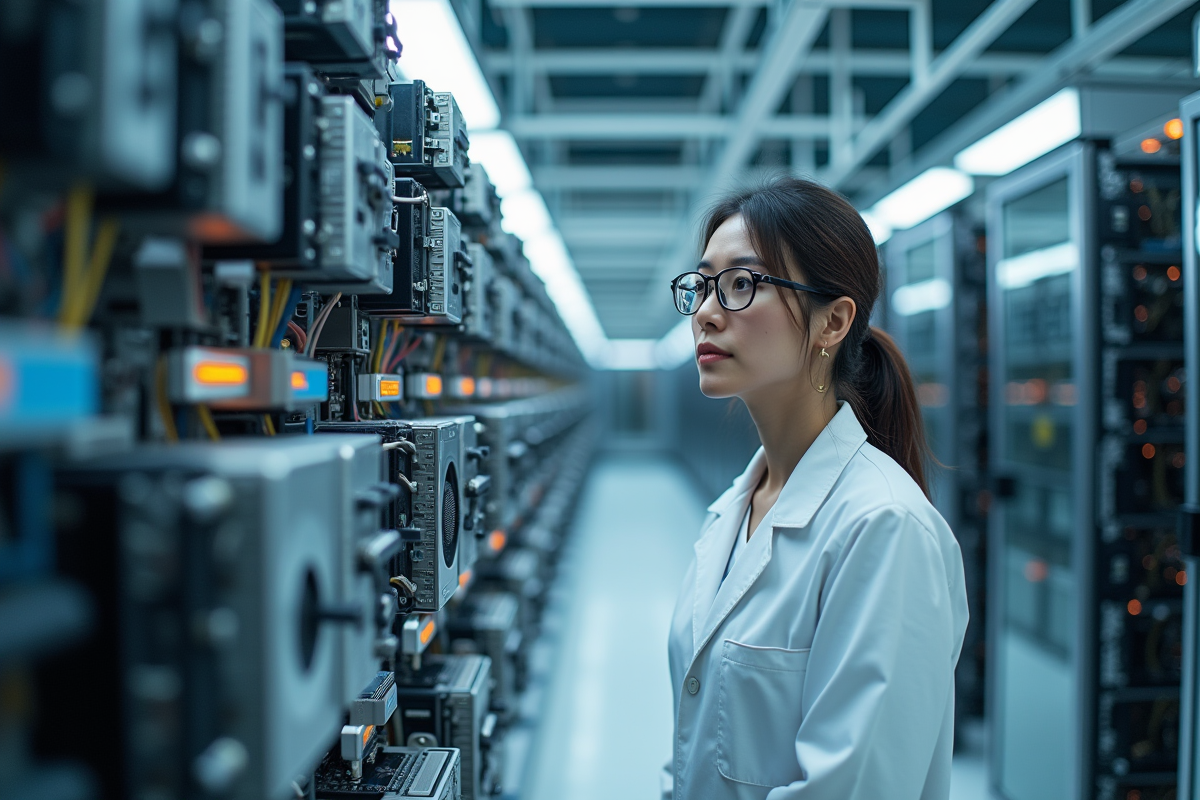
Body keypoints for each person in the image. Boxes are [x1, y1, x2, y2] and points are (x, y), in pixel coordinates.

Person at [664, 177, 969, 800]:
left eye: (742, 284)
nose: (705, 311)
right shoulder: (733, 511)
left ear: (833, 322)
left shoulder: (883, 528)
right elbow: (693, 743)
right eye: (701, 284)